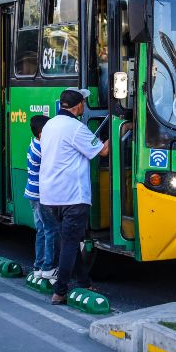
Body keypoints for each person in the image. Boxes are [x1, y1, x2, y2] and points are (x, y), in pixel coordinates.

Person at [39, 88, 109, 305]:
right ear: (78, 106)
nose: (84, 106)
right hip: (73, 196)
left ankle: (84, 282)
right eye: (83, 103)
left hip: (50, 196)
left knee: (69, 240)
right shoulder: (77, 128)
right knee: (69, 244)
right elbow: (103, 152)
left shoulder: (50, 125)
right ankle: (60, 291)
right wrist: (118, 130)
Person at [24, 114, 60, 280]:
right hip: (41, 194)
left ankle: (38, 265)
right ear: (41, 134)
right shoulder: (42, 150)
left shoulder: (33, 144)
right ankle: (49, 267)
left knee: (40, 230)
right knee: (51, 229)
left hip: (32, 193)